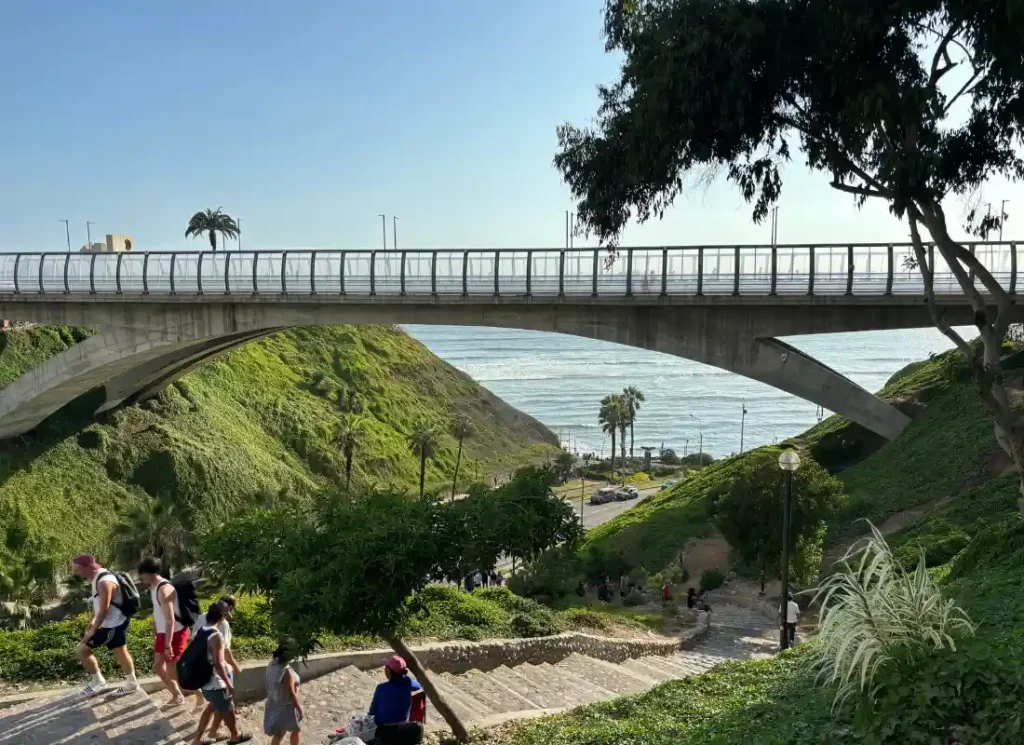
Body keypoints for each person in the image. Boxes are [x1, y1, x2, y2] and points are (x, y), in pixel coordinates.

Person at [72, 554, 138, 696]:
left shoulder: (104, 582)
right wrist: (92, 620)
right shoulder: (98, 576)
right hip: (115, 622)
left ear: (87, 567)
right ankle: (131, 683)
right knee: (120, 651)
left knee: (82, 649)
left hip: (113, 624)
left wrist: (92, 631)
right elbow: (99, 605)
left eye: (77, 570)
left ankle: (98, 681)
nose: (76, 573)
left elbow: (104, 610)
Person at [190, 602, 252, 745]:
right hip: (216, 683)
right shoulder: (216, 636)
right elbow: (218, 664)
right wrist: (229, 683)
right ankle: (235, 735)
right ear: (222, 616)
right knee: (228, 708)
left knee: (212, 706)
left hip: (205, 682)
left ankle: (197, 740)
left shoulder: (201, 630)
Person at [137, 557, 188, 708]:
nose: (140, 577)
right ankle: (178, 693)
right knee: (158, 667)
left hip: (174, 633)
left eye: (142, 574)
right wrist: (155, 630)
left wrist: (167, 645)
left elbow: (170, 620)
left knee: (171, 668)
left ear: (151, 573)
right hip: (163, 632)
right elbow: (157, 612)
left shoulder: (164, 589)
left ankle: (185, 693)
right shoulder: (153, 587)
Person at [368, 656, 425, 745]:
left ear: (389, 671)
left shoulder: (381, 688)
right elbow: (418, 686)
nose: (385, 668)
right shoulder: (408, 682)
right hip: (403, 726)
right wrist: (405, 678)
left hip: (383, 729)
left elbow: (372, 711)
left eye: (386, 667)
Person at [264, 641, 304, 745]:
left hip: (275, 703)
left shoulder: (272, 664)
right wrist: (299, 709)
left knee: (280, 732)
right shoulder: (287, 671)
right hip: (288, 706)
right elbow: (291, 693)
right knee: (297, 729)